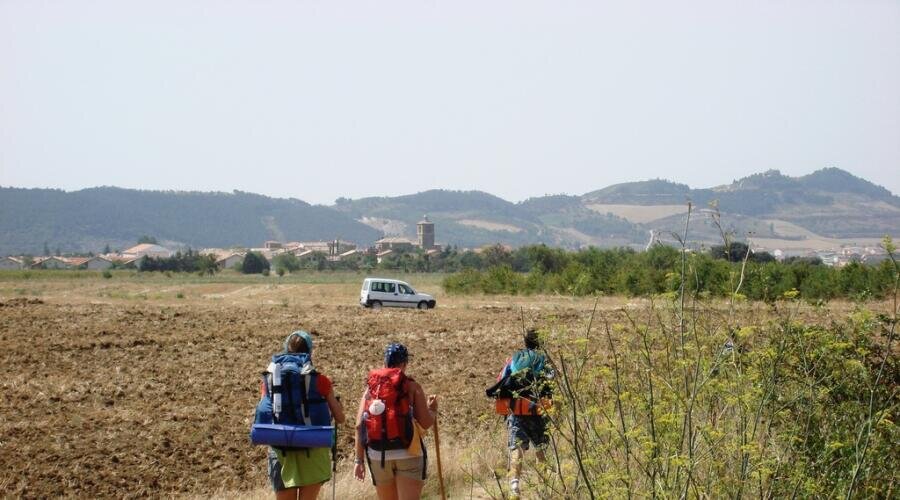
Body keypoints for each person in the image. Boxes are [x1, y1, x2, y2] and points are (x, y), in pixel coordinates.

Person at [266, 331, 346, 500]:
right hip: (313, 448)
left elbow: (266, 413)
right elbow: (340, 418)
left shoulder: (271, 381)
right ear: (309, 352)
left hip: (281, 450)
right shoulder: (321, 381)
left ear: (285, 349)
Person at [354, 343, 439, 500]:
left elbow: (360, 425)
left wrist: (358, 460)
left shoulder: (372, 388)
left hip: (377, 455)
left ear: (385, 362)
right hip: (408, 453)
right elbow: (426, 423)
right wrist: (432, 410)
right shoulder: (412, 386)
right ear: (404, 364)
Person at [491, 329, 553, 498]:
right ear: (540, 343)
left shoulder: (514, 359)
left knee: (516, 447)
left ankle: (514, 485)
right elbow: (552, 380)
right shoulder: (543, 359)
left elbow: (501, 379)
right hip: (538, 409)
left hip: (516, 409)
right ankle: (544, 490)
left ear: (525, 342)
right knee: (541, 448)